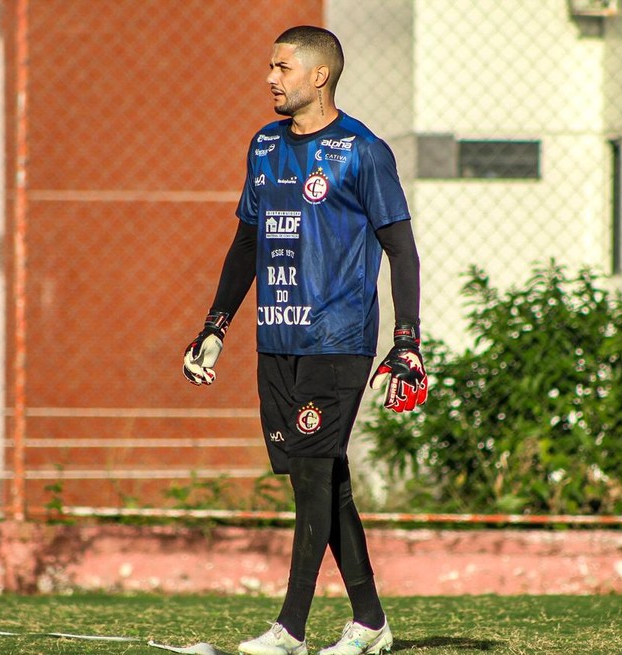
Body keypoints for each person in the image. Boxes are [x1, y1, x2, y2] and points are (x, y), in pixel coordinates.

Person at [182, 25, 426, 655]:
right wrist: (215, 325)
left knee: (316, 476)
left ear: (319, 76)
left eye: (283, 67)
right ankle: (370, 622)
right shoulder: (264, 147)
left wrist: (407, 340)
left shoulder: (362, 151)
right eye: (270, 66)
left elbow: (401, 248)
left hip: (338, 340)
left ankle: (290, 630)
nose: (271, 77)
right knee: (318, 480)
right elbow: (246, 244)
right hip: (276, 340)